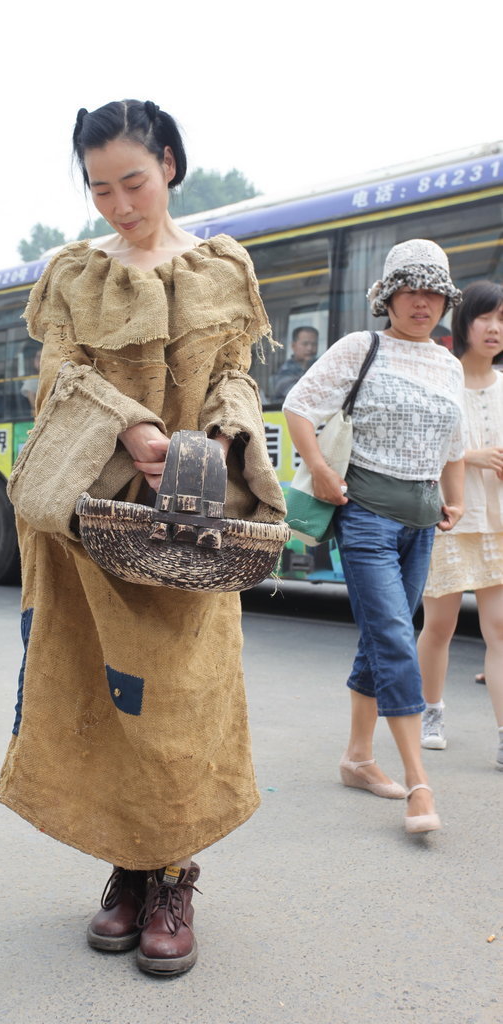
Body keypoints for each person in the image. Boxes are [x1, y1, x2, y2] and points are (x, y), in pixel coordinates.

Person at [0, 99, 286, 976]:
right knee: (102, 698)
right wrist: (128, 429)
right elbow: (58, 382)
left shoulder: (222, 266)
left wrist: (213, 446)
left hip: (191, 523)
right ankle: (127, 872)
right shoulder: (73, 272)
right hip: (90, 518)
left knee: (178, 705)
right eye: (99, 188)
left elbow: (234, 375)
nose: (119, 204)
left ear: (167, 162)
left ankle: (170, 875)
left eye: (132, 180)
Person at [283, 239, 465, 835]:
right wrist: (324, 468)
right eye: (411, 290)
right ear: (388, 296)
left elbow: (452, 443)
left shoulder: (448, 363)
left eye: (434, 291)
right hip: (363, 515)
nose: (423, 302)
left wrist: (454, 496)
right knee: (393, 635)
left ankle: (358, 758)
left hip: (420, 522)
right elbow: (300, 405)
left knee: (380, 636)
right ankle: (420, 784)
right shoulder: (361, 347)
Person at [417, 281, 503, 769]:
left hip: (499, 524)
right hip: (450, 518)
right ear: (465, 321)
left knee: (500, 630)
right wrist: (471, 456)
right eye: (485, 317)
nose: (494, 329)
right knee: (440, 627)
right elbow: (422, 451)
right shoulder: (439, 380)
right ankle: (431, 711)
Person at [268, 326, 319, 404]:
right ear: (293, 346)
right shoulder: (285, 371)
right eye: (305, 344)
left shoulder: (319, 366)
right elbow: (298, 395)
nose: (310, 348)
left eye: (314, 344)